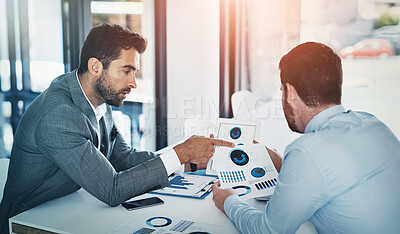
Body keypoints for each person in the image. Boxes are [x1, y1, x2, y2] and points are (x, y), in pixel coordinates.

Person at [0, 23, 234, 233]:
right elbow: (112, 189)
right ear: (95, 67)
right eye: (126, 71)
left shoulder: (99, 96)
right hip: (27, 223)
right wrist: (180, 152)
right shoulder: (59, 115)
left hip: (69, 208)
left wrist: (185, 162)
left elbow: (123, 157)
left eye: (134, 73)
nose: (133, 82)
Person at [212, 42, 400, 233]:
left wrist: (228, 200)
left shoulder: (307, 151)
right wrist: (284, 164)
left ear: (291, 93)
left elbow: (267, 230)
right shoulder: (372, 122)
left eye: (282, 91)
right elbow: (336, 177)